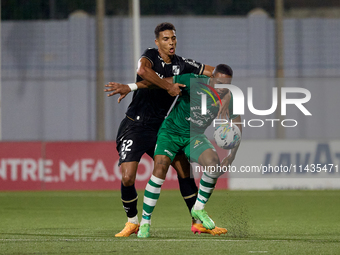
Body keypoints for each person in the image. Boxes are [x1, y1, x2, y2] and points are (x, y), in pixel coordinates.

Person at [105, 22, 228, 237]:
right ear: (157, 42)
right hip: (134, 124)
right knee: (127, 177)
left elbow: (212, 72)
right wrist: (164, 86)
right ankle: (132, 221)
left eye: (173, 38)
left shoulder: (182, 64)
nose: (170, 43)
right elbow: (143, 71)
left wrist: (223, 86)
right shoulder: (150, 56)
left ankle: (197, 221)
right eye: (165, 39)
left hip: (161, 128)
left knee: (185, 171)